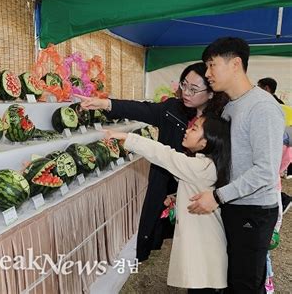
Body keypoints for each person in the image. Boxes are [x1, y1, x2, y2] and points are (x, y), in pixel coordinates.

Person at [76, 62, 228, 262]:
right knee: (165, 228)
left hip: (200, 191)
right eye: (184, 85)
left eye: (194, 89)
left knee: (199, 244)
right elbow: (141, 109)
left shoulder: (220, 121)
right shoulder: (173, 109)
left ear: (211, 93)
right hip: (167, 182)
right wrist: (105, 104)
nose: (186, 93)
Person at [188, 37, 284, 293]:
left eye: (212, 65)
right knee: (230, 279)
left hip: (253, 211)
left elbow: (265, 171)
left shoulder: (262, 108)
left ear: (235, 64)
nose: (207, 74)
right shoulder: (231, 107)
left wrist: (218, 196)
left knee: (245, 284)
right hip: (233, 204)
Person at [104, 113, 231, 293]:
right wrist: (175, 196)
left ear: (205, 142)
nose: (187, 131)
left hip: (204, 248)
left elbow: (165, 155)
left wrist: (128, 137)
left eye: (194, 129)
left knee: (201, 289)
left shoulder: (200, 167)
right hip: (205, 246)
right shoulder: (207, 165)